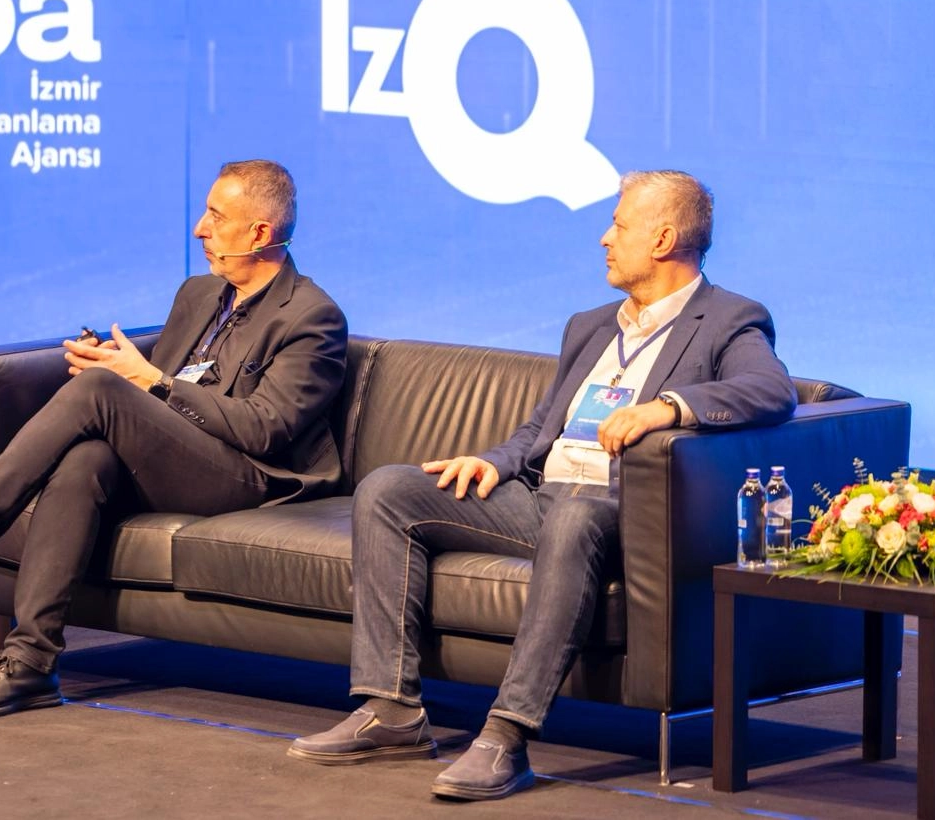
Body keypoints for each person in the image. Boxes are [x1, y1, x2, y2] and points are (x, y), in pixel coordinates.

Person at [289, 170, 796, 801]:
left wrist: (667, 407)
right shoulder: (590, 325)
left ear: (664, 239)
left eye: (619, 225)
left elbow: (771, 390)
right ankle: (391, 710)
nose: (604, 238)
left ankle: (506, 735)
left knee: (576, 518)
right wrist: (493, 463)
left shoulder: (728, 319)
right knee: (390, 489)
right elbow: (542, 426)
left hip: (622, 511)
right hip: (541, 497)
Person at [0, 159, 348, 717]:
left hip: (252, 478)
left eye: (216, 216)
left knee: (101, 391)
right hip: (184, 455)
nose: (199, 229)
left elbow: (263, 428)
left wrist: (148, 382)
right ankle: (31, 663)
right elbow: (168, 385)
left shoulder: (312, 317)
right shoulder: (199, 294)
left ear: (260, 233)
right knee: (85, 460)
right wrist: (124, 369)